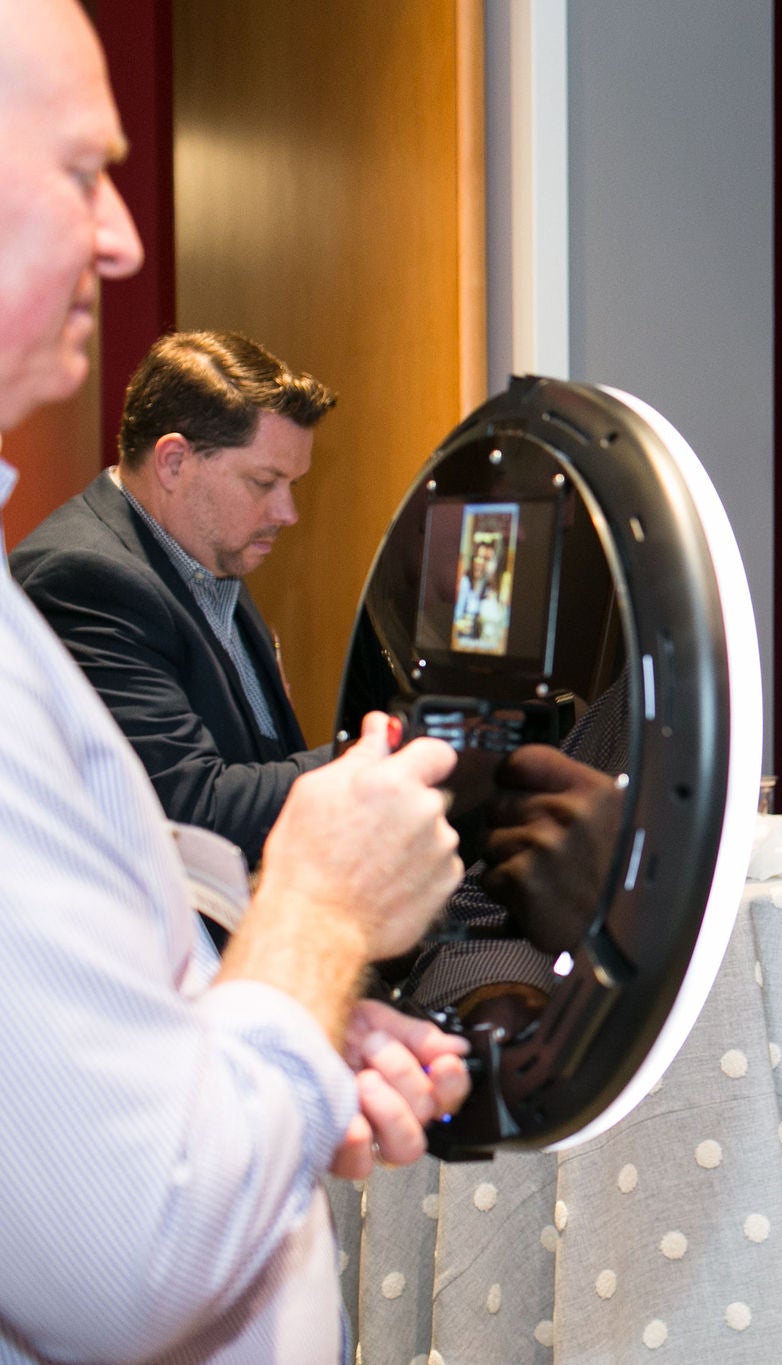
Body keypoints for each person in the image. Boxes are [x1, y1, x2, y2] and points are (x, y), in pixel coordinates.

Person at [0, 2, 471, 1358]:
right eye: (82, 170)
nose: (124, 237)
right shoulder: (80, 577)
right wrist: (321, 906)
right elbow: (135, 1240)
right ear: (171, 466)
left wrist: (264, 1024)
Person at [11, 329, 336, 879]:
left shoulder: (202, 546)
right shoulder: (87, 581)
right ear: (173, 461)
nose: (287, 512)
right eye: (265, 482)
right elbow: (191, 814)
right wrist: (373, 757)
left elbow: (260, 760)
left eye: (293, 485)